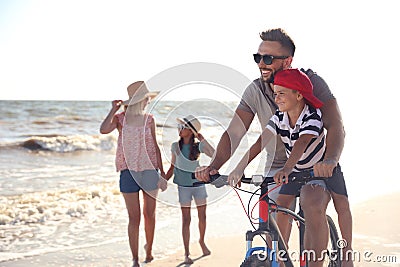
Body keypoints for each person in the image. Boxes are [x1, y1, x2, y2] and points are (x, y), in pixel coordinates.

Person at [195, 28, 352, 267]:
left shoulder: (311, 83)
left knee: (313, 203)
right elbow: (235, 132)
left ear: (287, 61)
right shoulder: (255, 90)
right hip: (276, 168)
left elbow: (335, 126)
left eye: (268, 58)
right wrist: (214, 167)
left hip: (314, 164)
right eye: (258, 57)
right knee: (273, 223)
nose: (261, 63)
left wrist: (329, 161)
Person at [228, 69, 351, 266]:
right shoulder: (279, 116)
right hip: (295, 171)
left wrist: (285, 169)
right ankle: (280, 258)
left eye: (282, 93)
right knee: (280, 207)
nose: (276, 98)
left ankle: (347, 253)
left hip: (319, 169)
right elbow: (261, 141)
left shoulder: (312, 116)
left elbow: (301, 144)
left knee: (342, 206)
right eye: (275, 93)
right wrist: (239, 168)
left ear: (299, 95)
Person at [100, 81, 165, 267]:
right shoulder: (120, 119)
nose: (147, 103)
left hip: (150, 171)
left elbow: (155, 146)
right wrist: (113, 109)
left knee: (150, 215)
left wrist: (162, 173)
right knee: (134, 217)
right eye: (145, 100)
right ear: (140, 101)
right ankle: (135, 259)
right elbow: (103, 129)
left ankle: (149, 251)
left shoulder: (150, 119)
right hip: (128, 172)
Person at [165, 115, 214, 264]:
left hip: (198, 184)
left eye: (183, 127)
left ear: (191, 131)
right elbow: (172, 167)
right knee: (186, 219)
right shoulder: (175, 146)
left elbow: (214, 154)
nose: (179, 129)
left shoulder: (198, 146)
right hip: (183, 187)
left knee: (202, 216)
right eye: (179, 126)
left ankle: (202, 241)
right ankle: (187, 253)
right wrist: (162, 181)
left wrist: (203, 139)